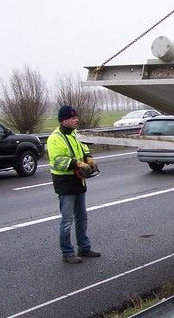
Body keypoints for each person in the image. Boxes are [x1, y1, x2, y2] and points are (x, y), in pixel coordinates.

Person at [47, 105, 101, 264]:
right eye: (73, 117)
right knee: (67, 220)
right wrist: (77, 163)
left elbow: (83, 148)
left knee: (82, 216)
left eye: (76, 117)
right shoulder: (55, 138)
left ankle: (84, 247)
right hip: (65, 183)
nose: (77, 119)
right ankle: (67, 253)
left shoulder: (76, 134)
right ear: (64, 120)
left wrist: (89, 158)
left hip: (78, 180)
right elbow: (58, 161)